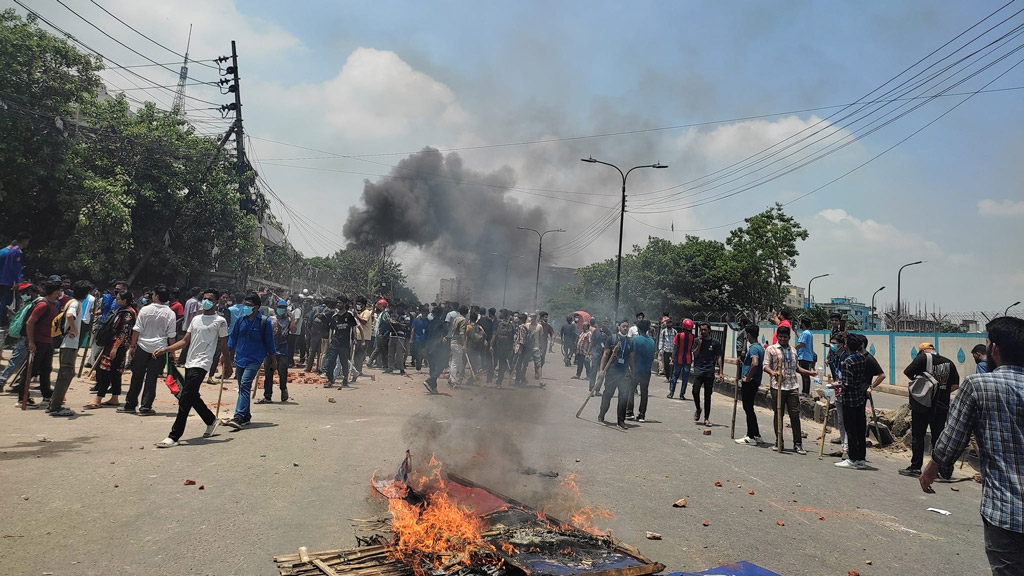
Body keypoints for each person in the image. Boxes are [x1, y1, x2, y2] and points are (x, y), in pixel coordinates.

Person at [919, 317, 1024, 574]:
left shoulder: (979, 385)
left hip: (1006, 510)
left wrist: (932, 469)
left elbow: (953, 438)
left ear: (995, 349)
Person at [152, 289, 231, 447]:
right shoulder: (196, 319)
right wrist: (166, 349)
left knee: (185, 397)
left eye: (210, 299)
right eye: (204, 298)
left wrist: (227, 364)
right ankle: (210, 420)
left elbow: (223, 345)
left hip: (203, 362)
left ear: (216, 302)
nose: (206, 301)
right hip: (190, 361)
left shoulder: (220, 321)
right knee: (192, 395)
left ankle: (174, 436)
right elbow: (185, 341)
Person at [899, 342, 960, 478]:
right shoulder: (949, 362)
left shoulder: (922, 358)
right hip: (942, 405)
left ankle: (915, 467)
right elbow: (955, 385)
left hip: (923, 405)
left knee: (918, 436)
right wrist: (941, 392)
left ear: (922, 352)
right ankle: (938, 469)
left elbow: (908, 372)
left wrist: (923, 387)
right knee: (938, 437)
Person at [121, 284, 177, 416]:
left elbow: (137, 329)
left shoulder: (145, 310)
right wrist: (172, 352)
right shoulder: (170, 313)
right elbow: (171, 335)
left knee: (137, 377)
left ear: (156, 296)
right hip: (160, 349)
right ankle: (145, 407)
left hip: (142, 346)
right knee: (151, 379)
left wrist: (132, 346)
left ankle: (130, 404)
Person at [225, 293, 277, 429]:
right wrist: (225, 354)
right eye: (245, 305)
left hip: (255, 359)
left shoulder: (264, 322)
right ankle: (246, 416)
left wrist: (273, 360)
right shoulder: (241, 320)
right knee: (242, 387)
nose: (245, 308)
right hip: (240, 358)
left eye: (248, 305)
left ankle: (239, 416)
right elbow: (233, 338)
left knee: (245, 384)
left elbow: (270, 343)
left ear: (256, 307)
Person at [764, 325, 815, 455]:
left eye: (785, 337)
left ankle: (798, 443)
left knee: (795, 415)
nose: (782, 339)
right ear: (778, 337)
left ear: (789, 338)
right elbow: (765, 366)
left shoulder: (793, 350)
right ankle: (779, 441)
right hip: (777, 386)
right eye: (780, 337)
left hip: (792, 386)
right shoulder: (771, 349)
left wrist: (810, 373)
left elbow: (796, 368)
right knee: (778, 414)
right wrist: (773, 372)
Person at [84, 290, 136, 410]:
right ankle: (115, 397)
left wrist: (115, 348)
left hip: (117, 346)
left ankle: (98, 398)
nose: (116, 300)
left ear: (125, 300)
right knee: (115, 372)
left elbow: (124, 332)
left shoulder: (127, 313)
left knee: (105, 371)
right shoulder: (124, 311)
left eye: (118, 298)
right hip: (116, 345)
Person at [48, 280, 93, 416]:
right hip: (68, 344)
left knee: (68, 373)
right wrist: (73, 330)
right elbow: (69, 316)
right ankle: (55, 406)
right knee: (65, 374)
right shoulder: (75, 304)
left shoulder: (72, 302)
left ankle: (55, 403)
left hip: (68, 344)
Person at [834, 334, 872, 468]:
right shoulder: (862, 358)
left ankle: (852, 458)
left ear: (846, 346)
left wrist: (836, 386)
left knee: (850, 430)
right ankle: (861, 458)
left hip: (849, 400)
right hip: (860, 398)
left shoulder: (847, 361)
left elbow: (846, 384)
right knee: (860, 429)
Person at [597, 319, 635, 430]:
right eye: (623, 326)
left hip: (624, 373)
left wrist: (633, 372)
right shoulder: (612, 339)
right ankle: (602, 413)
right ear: (619, 327)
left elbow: (631, 358)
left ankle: (621, 420)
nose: (625, 328)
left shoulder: (630, 342)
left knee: (624, 396)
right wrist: (601, 370)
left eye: (627, 327)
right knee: (608, 394)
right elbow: (605, 354)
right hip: (612, 371)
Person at [735, 324, 766, 445]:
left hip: (750, 382)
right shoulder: (760, 348)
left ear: (748, 335)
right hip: (755, 381)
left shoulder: (753, 348)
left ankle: (750, 436)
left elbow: (755, 363)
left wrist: (747, 378)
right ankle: (756, 434)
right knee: (749, 408)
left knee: (748, 408)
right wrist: (742, 364)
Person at [691, 322, 723, 427]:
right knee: (695, 391)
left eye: (705, 330)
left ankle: (706, 418)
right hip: (699, 370)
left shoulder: (715, 343)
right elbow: (694, 355)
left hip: (709, 371)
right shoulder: (696, 341)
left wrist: (721, 372)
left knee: (707, 396)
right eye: (701, 330)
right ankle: (698, 408)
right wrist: (700, 344)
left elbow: (719, 356)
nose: (703, 332)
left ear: (709, 330)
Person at [258, 300, 291, 403]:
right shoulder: (270, 319)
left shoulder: (288, 320)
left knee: (283, 372)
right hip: (270, 350)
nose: (281, 309)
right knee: (268, 373)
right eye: (280, 307)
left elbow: (293, 330)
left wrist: (292, 318)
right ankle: (267, 396)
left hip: (282, 350)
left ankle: (283, 389)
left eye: (283, 307)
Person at [826, 333, 851, 459]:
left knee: (846, 421)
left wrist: (836, 385)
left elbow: (844, 378)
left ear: (841, 345)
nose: (832, 346)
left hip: (844, 393)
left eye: (834, 344)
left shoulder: (845, 358)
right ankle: (843, 446)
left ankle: (847, 448)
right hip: (838, 391)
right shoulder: (835, 357)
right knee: (840, 421)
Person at [626, 319, 656, 422]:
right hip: (647, 370)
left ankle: (629, 412)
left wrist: (631, 368)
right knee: (644, 392)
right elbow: (652, 356)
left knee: (631, 389)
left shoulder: (635, 340)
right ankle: (642, 414)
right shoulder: (652, 341)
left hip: (636, 369)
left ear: (638, 329)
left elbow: (631, 355)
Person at [324, 298, 357, 388]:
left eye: (340, 303)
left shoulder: (349, 315)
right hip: (335, 342)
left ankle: (345, 378)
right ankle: (330, 380)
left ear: (344, 304)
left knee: (344, 362)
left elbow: (353, 327)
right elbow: (331, 328)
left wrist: (355, 338)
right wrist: (330, 339)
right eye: (337, 303)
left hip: (345, 343)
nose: (338, 304)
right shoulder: (335, 316)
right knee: (331, 362)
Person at [0, 232, 30, 326]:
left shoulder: (11, 250)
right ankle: (3, 320)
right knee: (7, 301)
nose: (27, 244)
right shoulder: (17, 252)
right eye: (27, 241)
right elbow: (15, 268)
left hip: (5, 279)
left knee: (5, 300)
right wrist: (16, 281)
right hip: (10, 281)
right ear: (24, 241)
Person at [423, 304, 449, 394]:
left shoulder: (429, 323)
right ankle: (430, 381)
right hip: (437, 348)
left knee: (432, 368)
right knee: (441, 366)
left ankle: (433, 389)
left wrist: (424, 347)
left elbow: (425, 336)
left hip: (428, 346)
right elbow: (444, 333)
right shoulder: (442, 323)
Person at [669, 319, 695, 399]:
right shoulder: (693, 337)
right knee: (685, 377)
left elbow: (675, 347)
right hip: (688, 359)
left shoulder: (679, 335)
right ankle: (682, 394)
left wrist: (672, 358)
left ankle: (671, 393)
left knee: (675, 375)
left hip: (679, 358)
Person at [491, 309, 515, 387]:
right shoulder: (510, 324)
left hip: (497, 346)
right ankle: (499, 382)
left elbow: (494, 334)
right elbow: (512, 338)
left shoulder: (497, 322)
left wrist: (491, 345)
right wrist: (511, 348)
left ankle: (489, 380)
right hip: (506, 347)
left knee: (493, 362)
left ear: (501, 314)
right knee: (502, 364)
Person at [305, 298, 329, 373]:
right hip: (323, 334)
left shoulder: (315, 309)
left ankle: (308, 368)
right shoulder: (328, 310)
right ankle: (319, 369)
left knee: (312, 351)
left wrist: (309, 331)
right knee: (320, 352)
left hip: (314, 333)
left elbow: (310, 321)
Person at [448, 305, 468, 387]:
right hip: (458, 343)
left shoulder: (456, 318)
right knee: (456, 363)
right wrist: (464, 344)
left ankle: (451, 378)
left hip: (453, 341)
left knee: (455, 361)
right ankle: (453, 380)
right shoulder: (463, 320)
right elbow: (462, 333)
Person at [353, 296, 374, 379]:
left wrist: (356, 316)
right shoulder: (361, 312)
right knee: (356, 355)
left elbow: (364, 322)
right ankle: (357, 370)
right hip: (358, 337)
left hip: (364, 338)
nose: (358, 306)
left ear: (364, 305)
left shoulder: (366, 312)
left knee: (360, 355)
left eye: (360, 304)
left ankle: (358, 370)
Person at [389, 305, 411, 375]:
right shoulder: (394, 315)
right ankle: (390, 367)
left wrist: (398, 323)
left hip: (400, 337)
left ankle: (401, 368)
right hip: (392, 335)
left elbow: (406, 325)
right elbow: (390, 322)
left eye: (400, 308)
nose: (398, 310)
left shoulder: (406, 316)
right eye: (397, 308)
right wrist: (388, 321)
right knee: (390, 353)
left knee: (399, 354)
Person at [796, 317, 815, 394]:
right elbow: (801, 339)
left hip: (804, 356)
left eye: (800, 322)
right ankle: (805, 391)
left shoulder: (805, 333)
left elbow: (801, 343)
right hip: (808, 356)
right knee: (806, 375)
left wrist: (793, 349)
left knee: (805, 375)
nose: (799, 324)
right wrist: (796, 332)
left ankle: (805, 392)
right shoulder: (808, 332)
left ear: (803, 324)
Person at [411, 306, 429, 371]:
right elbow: (413, 329)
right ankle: (418, 361)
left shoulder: (428, 321)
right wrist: (411, 338)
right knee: (417, 352)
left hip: (425, 339)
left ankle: (420, 362)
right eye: (423, 312)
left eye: (426, 312)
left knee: (422, 352)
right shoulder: (416, 320)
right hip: (417, 339)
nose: (424, 314)